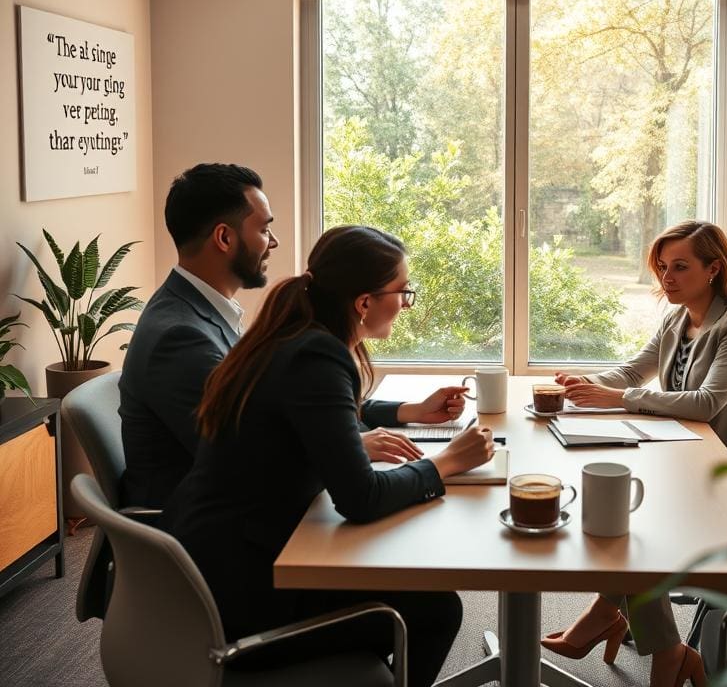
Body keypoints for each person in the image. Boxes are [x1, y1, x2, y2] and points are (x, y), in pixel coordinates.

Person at [162, 225, 494, 687]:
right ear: (363, 302)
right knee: (437, 609)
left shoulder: (294, 336)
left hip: (213, 565)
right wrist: (446, 462)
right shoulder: (317, 355)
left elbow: (317, 411)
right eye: (403, 292)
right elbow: (361, 499)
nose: (406, 303)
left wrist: (410, 411)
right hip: (244, 599)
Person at [120, 163, 453, 510]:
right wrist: (345, 448)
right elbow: (245, 453)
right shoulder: (181, 338)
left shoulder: (202, 312)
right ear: (224, 238)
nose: (274, 242)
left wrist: (405, 411)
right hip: (206, 527)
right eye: (264, 229)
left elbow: (289, 400)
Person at [542, 220, 727, 687]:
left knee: (631, 528)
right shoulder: (677, 316)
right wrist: (586, 386)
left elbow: (707, 402)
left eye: (680, 267)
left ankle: (627, 627)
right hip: (684, 457)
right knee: (618, 518)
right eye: (662, 267)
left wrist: (620, 400)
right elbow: (633, 371)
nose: (667, 277)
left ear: (713, 269)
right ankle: (651, 640)